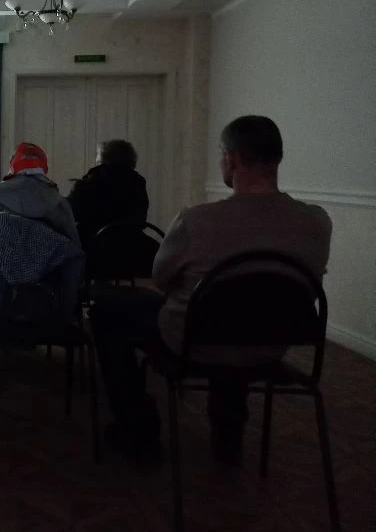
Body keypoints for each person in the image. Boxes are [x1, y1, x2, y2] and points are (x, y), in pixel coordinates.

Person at [90, 116, 332, 465]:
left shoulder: (196, 221)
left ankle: (137, 429)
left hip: (193, 341)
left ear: (231, 158)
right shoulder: (317, 222)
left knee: (107, 311)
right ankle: (228, 435)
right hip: (270, 344)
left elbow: (161, 278)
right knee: (243, 314)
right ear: (277, 157)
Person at [0, 141, 80, 271]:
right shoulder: (60, 205)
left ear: (12, 166)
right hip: (51, 282)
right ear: (44, 169)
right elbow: (75, 255)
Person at [68, 139, 149, 247]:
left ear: (103, 159)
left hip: (94, 249)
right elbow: (141, 220)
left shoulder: (87, 184)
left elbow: (68, 215)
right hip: (133, 248)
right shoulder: (138, 184)